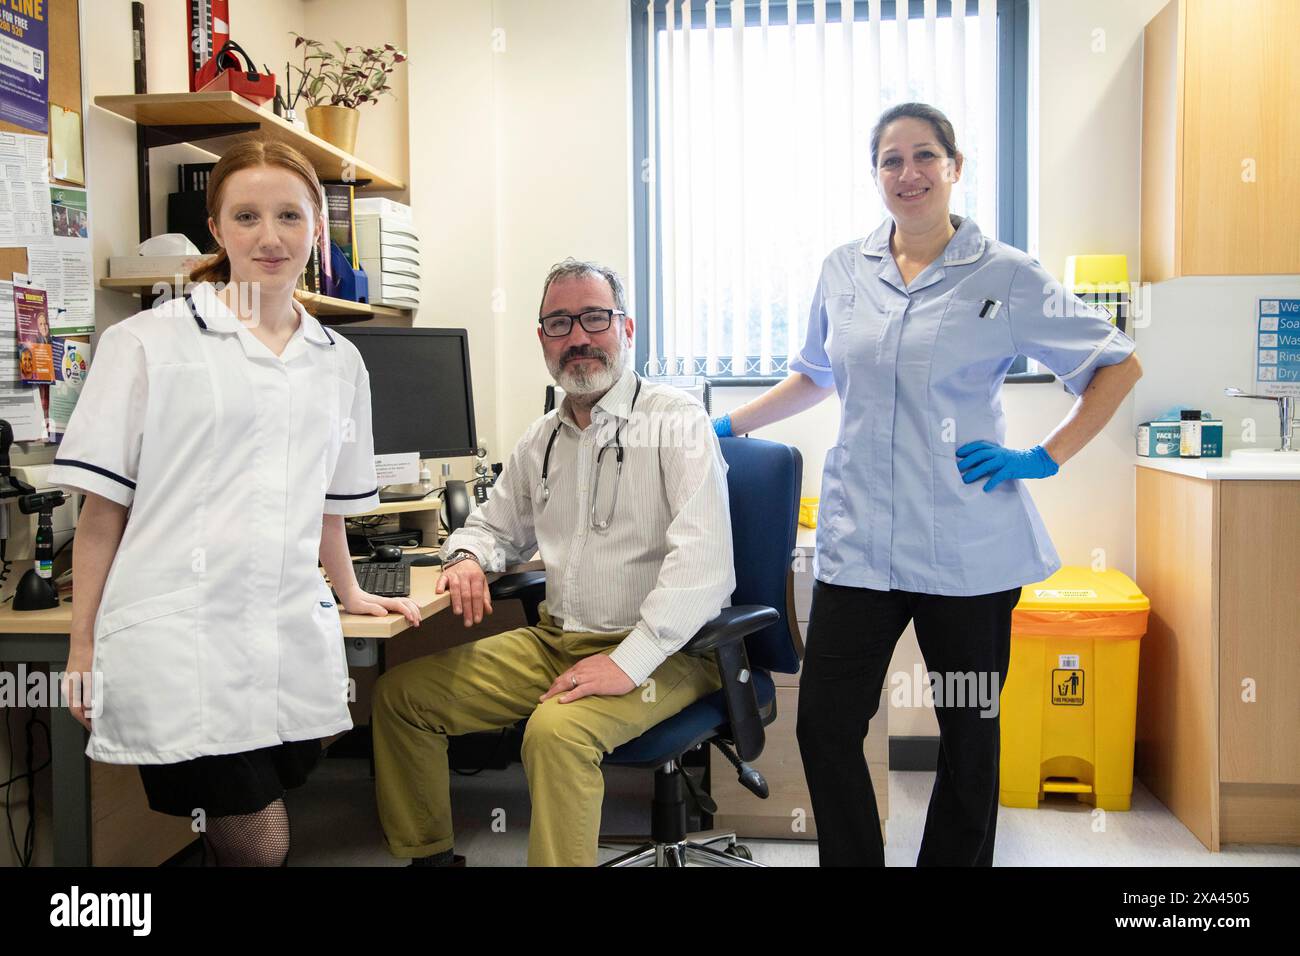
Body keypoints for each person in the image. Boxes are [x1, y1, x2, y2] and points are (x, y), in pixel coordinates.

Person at [715, 103, 1143, 866]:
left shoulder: (1006, 274)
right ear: (875, 173)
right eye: (890, 160)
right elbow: (813, 375)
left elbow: (1116, 364)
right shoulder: (843, 269)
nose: (907, 173)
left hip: (967, 552)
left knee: (970, 731)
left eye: (924, 156)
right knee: (825, 725)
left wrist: (1043, 457)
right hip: (863, 544)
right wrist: (725, 428)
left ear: (954, 167)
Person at [50, 137, 420, 866]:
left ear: (317, 225)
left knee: (247, 826)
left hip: (284, 630)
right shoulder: (148, 342)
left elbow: (328, 505)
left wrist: (349, 588)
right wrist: (82, 645)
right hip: (175, 636)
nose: (270, 237)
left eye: (289, 215)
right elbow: (101, 514)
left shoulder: (337, 361)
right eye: (246, 216)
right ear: (216, 229)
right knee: (260, 841)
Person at [371, 258, 732, 867]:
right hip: (558, 641)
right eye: (560, 323)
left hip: (671, 650)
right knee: (402, 696)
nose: (579, 338)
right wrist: (464, 558)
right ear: (542, 339)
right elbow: (493, 524)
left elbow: (704, 568)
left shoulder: (678, 423)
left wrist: (628, 661)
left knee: (556, 734)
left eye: (595, 318)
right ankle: (430, 857)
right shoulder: (541, 440)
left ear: (627, 329)